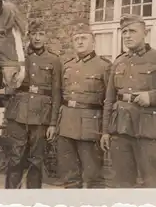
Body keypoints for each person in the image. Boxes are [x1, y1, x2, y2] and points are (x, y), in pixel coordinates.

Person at [100, 14, 156, 188]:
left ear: (145, 33)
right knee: (121, 184)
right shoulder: (119, 62)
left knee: (152, 183)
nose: (127, 35)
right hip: (120, 130)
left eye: (132, 31)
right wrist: (105, 131)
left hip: (150, 131)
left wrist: (152, 96)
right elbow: (109, 99)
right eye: (124, 32)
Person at [4, 19, 61, 189]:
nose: (37, 38)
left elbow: (56, 92)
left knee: (36, 161)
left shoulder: (54, 60)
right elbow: (7, 82)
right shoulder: (19, 56)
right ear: (29, 36)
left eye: (41, 34)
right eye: (34, 34)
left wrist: (52, 123)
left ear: (46, 37)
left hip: (41, 116)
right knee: (15, 158)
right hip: (18, 114)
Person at [57, 19, 111, 188]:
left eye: (84, 38)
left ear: (93, 41)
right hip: (66, 124)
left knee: (93, 176)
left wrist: (105, 130)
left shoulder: (104, 66)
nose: (79, 41)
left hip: (90, 126)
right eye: (76, 38)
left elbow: (110, 101)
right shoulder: (68, 66)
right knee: (69, 175)